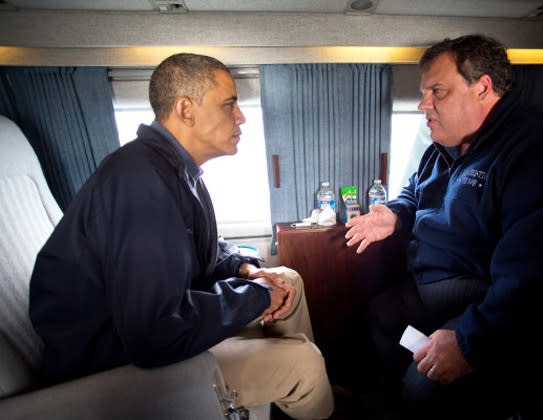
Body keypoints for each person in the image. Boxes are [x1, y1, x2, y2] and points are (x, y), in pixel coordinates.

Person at [29, 53, 333, 419]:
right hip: (107, 364)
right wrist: (255, 299)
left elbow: (202, 248)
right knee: (306, 362)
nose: (242, 117)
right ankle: (304, 383)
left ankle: (295, 400)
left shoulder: (174, 171)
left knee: (288, 280)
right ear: (185, 110)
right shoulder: (141, 183)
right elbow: (154, 332)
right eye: (229, 104)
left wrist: (246, 271)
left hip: (141, 336)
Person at [345, 34, 543, 418]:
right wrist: (396, 213)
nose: (423, 104)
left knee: (424, 385)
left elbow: (538, 273)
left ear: (482, 87)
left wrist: (469, 343)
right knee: (381, 316)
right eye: (423, 92)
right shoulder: (444, 145)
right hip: (434, 281)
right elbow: (416, 190)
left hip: (491, 293)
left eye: (437, 91)